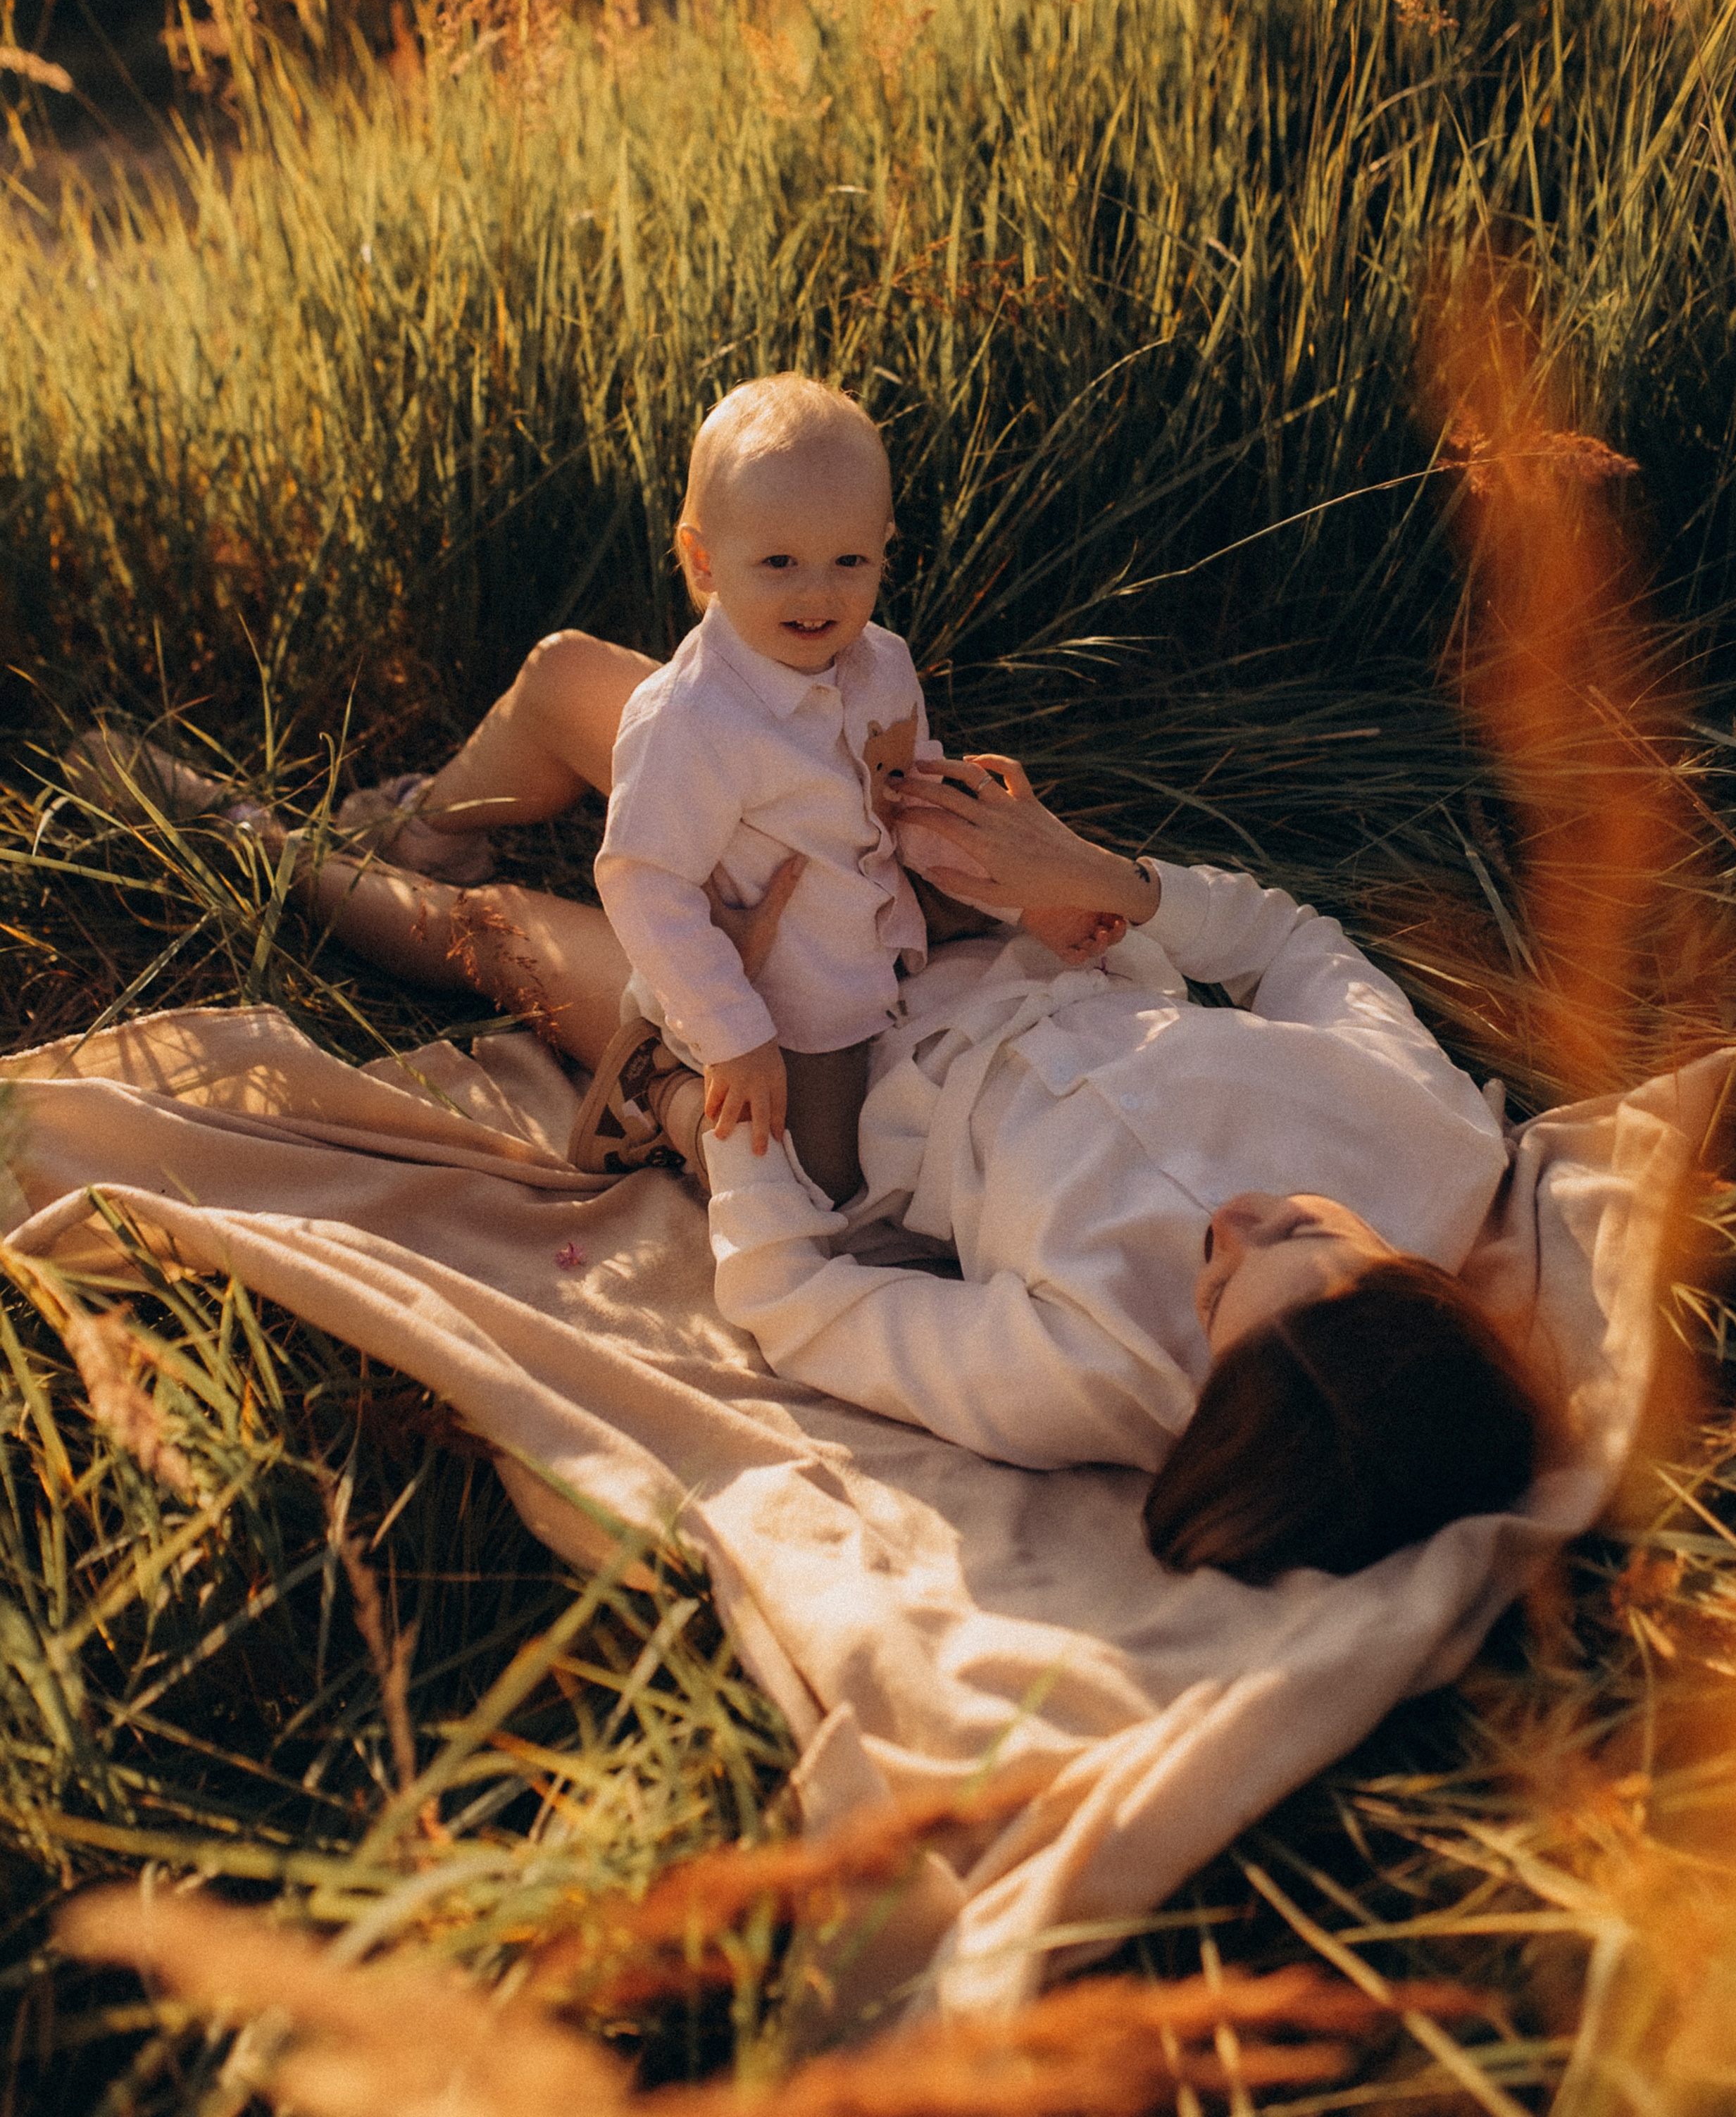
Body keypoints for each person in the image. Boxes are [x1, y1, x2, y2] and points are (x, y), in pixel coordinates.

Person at [65, 649, 1550, 1585]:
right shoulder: (1429, 1144)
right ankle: (420, 814)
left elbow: (794, 1298)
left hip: (829, 1090)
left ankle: (238, 838)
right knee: (580, 683)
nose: (1232, 1229)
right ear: (1412, 1277)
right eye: (1301, 1235)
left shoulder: (1089, 1376)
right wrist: (1088, 879)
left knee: (490, 934)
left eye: (1219, 1293)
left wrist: (725, 1079)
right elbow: (1288, 942)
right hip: (993, 926)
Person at [592, 375, 1116, 1205]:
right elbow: (644, 883)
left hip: (876, 952)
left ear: (882, 547)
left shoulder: (883, 665)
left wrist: (1027, 903)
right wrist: (734, 1038)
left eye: (849, 561)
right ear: (703, 560)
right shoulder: (688, 721)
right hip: (784, 998)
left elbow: (912, 807)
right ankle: (662, 1084)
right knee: (821, 1184)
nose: (818, 593)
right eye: (778, 563)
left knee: (931, 1111)